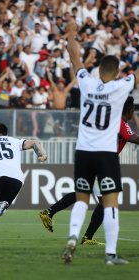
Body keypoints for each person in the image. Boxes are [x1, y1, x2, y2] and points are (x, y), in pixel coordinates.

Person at [61, 22, 139, 265]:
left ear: (98, 70)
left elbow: (75, 57)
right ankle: (111, 255)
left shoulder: (86, 81)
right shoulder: (121, 87)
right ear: (116, 73)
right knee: (111, 203)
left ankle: (73, 236)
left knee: (82, 199)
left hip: (83, 152)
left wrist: (71, 33)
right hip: (106, 154)